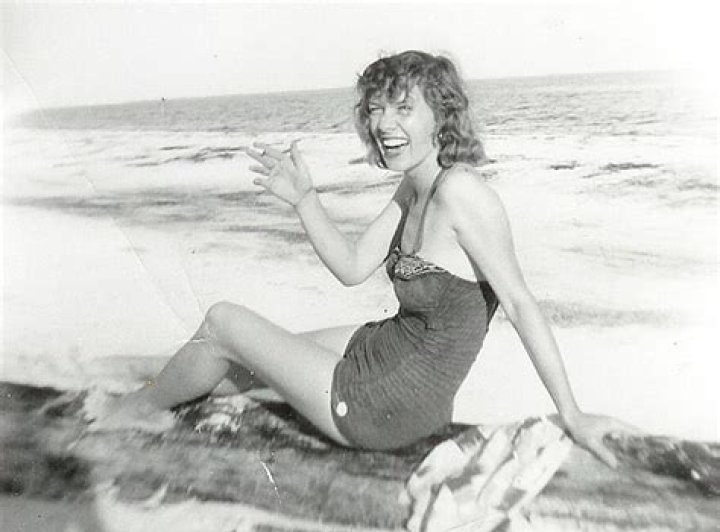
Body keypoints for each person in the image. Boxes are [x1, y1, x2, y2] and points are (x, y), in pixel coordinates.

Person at [97, 50, 634, 466]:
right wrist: (305, 201)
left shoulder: (461, 192)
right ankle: (153, 390)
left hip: (386, 405)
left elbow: (519, 304)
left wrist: (571, 414)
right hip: (389, 357)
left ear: (441, 116)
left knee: (222, 322)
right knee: (234, 363)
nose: (384, 123)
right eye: (376, 109)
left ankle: (127, 413)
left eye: (404, 108)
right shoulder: (414, 186)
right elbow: (354, 267)